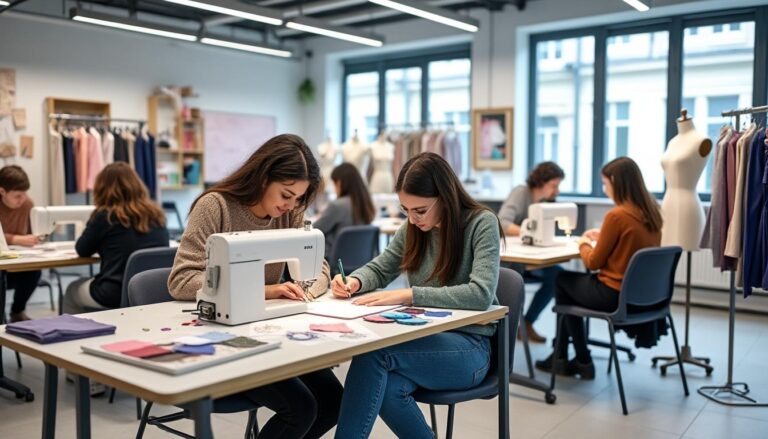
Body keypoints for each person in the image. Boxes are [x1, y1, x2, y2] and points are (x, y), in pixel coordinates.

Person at [168, 133, 342, 439]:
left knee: (334, 402)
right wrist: (266, 291)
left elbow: (319, 266)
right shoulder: (215, 207)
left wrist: (307, 290)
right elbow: (181, 280)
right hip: (221, 338)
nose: (291, 205)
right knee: (301, 409)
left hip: (269, 332)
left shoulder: (290, 212)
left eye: (299, 198)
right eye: (286, 195)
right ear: (263, 177)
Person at [331, 152, 504, 439]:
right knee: (387, 389)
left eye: (420, 210)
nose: (412, 219)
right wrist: (355, 281)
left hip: (471, 349)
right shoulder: (414, 228)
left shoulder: (481, 223)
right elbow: (382, 267)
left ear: (445, 197)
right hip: (427, 339)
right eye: (406, 210)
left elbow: (480, 294)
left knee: (374, 352)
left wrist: (409, 295)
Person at [535, 157, 662, 380]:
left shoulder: (617, 215)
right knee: (567, 284)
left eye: (605, 183)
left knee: (561, 280)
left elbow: (593, 263)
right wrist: (603, 236)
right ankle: (567, 358)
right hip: (642, 298)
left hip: (613, 295)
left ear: (616, 182)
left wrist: (583, 242)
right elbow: (629, 246)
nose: (604, 190)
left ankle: (578, 358)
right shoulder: (650, 212)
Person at [63, 163, 169, 314]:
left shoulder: (105, 217)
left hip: (112, 294)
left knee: (72, 290)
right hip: (150, 292)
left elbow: (82, 249)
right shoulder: (157, 216)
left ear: (102, 189)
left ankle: (73, 328)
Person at [498, 161, 565, 343]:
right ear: (541, 182)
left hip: (531, 259)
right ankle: (510, 328)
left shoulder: (546, 203)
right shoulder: (522, 193)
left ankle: (527, 324)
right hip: (512, 260)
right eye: (554, 185)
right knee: (516, 278)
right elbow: (502, 222)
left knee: (558, 276)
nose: (557, 191)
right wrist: (530, 233)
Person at [0, 165, 41, 322]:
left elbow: (33, 231)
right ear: (2, 191)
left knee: (34, 271)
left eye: (25, 194)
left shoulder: (27, 204)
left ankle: (17, 312)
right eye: (17, 195)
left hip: (18, 260)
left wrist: (36, 238)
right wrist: (16, 239)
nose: (22, 199)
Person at [313, 163, 376, 259]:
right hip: (361, 261)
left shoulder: (337, 205)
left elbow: (315, 229)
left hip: (334, 260)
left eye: (334, 184)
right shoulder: (366, 203)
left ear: (339, 183)